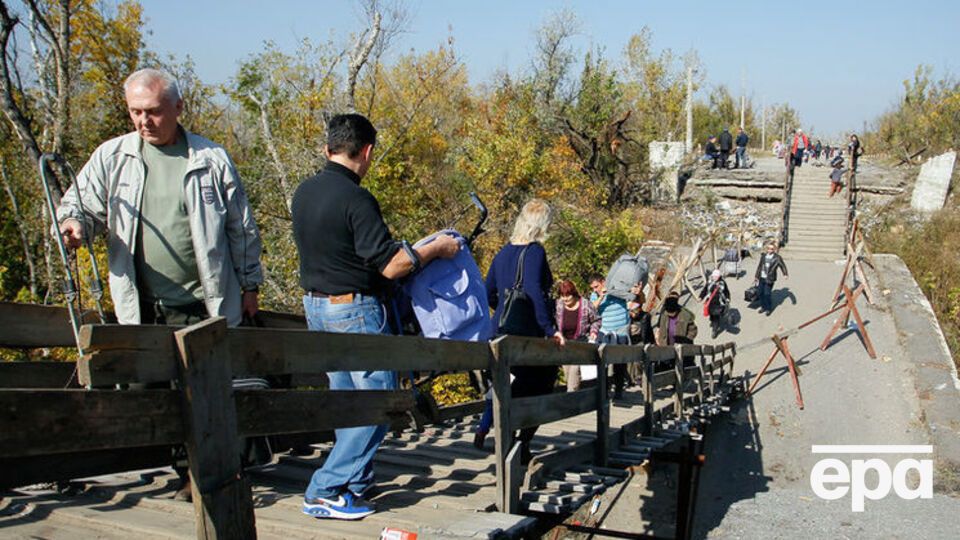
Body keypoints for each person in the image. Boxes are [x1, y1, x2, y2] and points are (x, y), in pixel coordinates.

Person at [57, 68, 264, 501]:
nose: (143, 121)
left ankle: (202, 475)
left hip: (204, 300)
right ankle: (175, 466)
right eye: (135, 112)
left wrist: (250, 285)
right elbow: (80, 203)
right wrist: (74, 225)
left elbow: (241, 228)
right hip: (143, 302)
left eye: (152, 111)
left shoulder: (210, 159)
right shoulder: (113, 157)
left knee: (208, 391)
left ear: (177, 108)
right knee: (149, 392)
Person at [293, 113, 459, 520]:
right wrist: (436, 248)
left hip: (316, 308)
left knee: (348, 404)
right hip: (355, 311)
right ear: (366, 152)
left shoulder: (304, 192)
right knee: (379, 405)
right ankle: (324, 489)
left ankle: (354, 484)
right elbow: (391, 266)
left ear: (327, 147)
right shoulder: (356, 198)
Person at [486, 198, 565, 464]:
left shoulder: (502, 253)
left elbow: (489, 292)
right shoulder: (534, 252)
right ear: (542, 224)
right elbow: (533, 289)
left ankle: (509, 436)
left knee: (520, 384)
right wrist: (549, 328)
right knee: (544, 382)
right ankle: (521, 442)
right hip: (527, 333)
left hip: (500, 330)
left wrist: (506, 312)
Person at [555, 279, 600, 391]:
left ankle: (570, 400)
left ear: (573, 293)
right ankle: (576, 398)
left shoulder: (585, 304)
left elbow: (597, 320)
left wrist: (593, 332)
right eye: (562, 295)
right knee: (568, 374)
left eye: (568, 295)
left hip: (580, 344)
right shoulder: (558, 305)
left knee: (574, 374)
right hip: (564, 345)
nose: (565, 299)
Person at [754, 242, 789, 316]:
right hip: (762, 277)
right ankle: (763, 306)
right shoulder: (763, 256)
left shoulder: (777, 257)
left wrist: (785, 274)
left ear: (774, 250)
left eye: (771, 249)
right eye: (768, 248)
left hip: (770, 278)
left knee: (767, 294)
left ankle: (768, 308)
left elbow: (782, 266)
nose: (770, 250)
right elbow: (759, 266)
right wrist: (756, 276)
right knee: (760, 293)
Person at [699, 269, 730, 338]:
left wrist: (727, 298)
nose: (714, 278)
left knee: (716, 316)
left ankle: (714, 330)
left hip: (719, 302)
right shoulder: (709, 282)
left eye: (716, 277)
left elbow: (726, 291)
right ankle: (714, 321)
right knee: (712, 315)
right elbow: (704, 290)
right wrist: (701, 297)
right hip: (710, 302)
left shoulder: (722, 283)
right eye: (713, 276)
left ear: (719, 277)